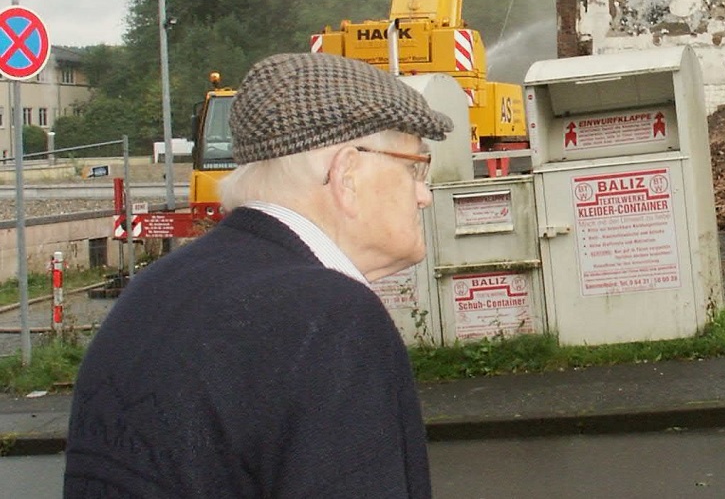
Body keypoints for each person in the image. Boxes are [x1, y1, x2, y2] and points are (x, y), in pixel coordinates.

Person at [64, 52, 454, 497]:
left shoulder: (155, 290)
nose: (423, 194)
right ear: (346, 174)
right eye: (413, 167)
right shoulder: (328, 316)